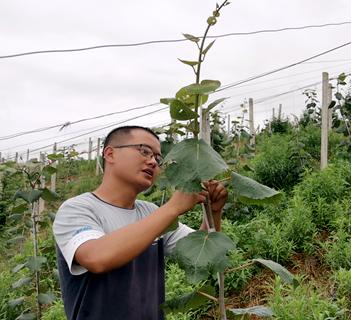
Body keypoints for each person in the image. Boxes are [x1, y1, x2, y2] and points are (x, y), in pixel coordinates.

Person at [52, 126, 227, 320]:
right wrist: (172, 208)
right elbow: (96, 257)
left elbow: (200, 258)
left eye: (158, 158)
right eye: (144, 151)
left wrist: (212, 212)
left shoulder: (150, 212)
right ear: (110, 154)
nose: (152, 161)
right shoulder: (78, 209)